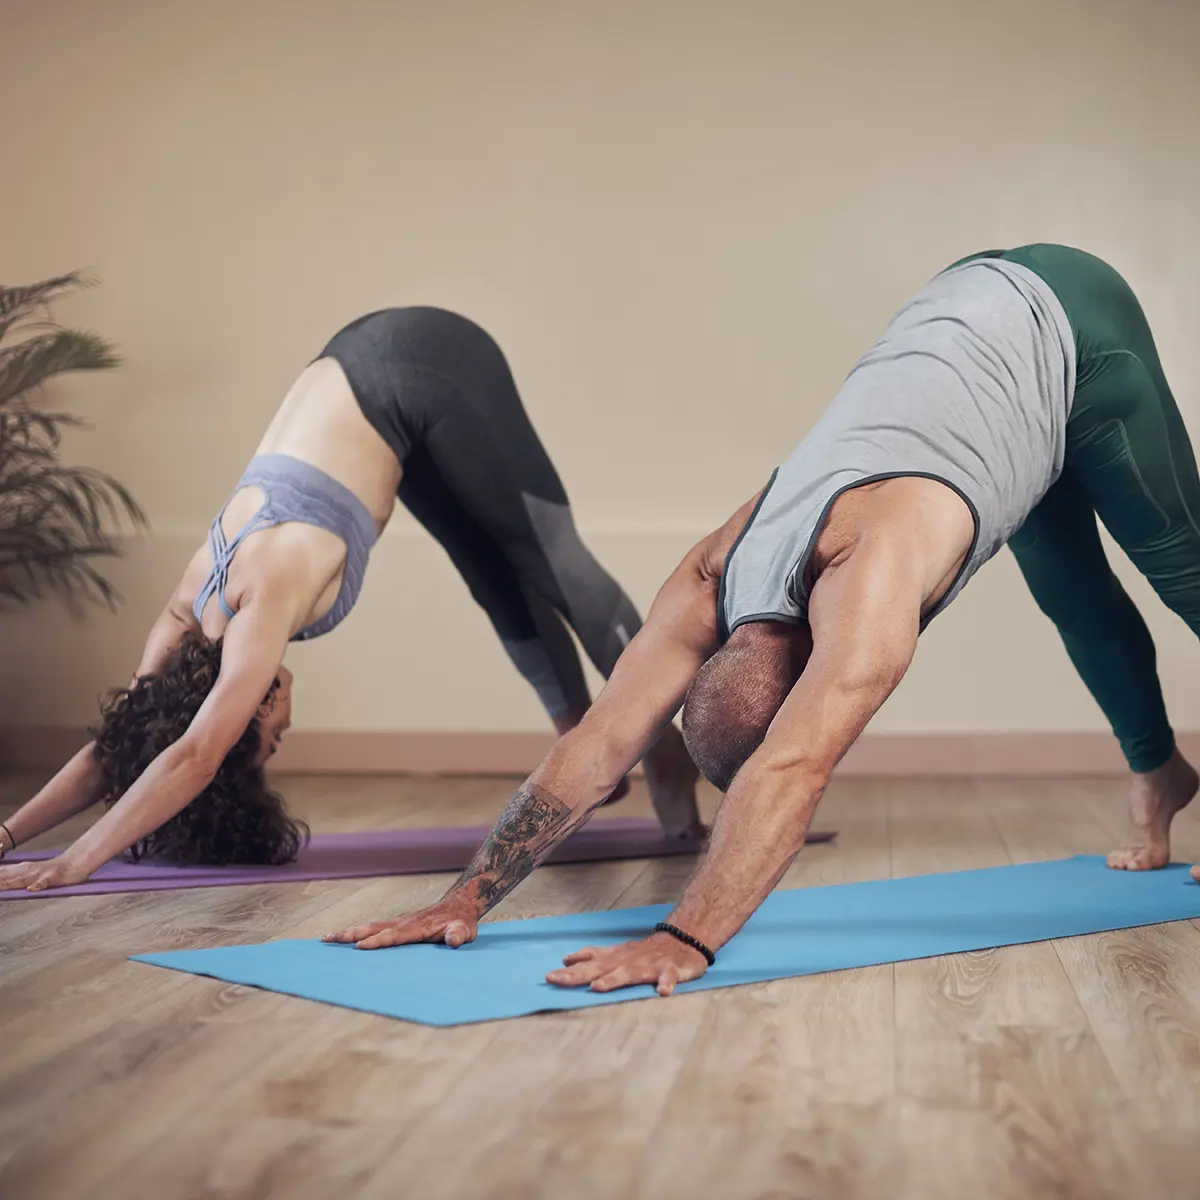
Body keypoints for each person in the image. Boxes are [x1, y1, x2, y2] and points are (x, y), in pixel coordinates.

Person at [325, 244, 1200, 997]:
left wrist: (686, 936)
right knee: (1074, 597)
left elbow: (795, 765)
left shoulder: (871, 579)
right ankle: (1159, 774)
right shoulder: (717, 571)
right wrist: (466, 897)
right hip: (972, 326)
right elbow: (598, 742)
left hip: (1075, 324)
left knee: (1185, 575)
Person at [0, 308, 701, 890]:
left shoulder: (262, 598)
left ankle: (662, 750)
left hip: (424, 358)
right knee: (493, 577)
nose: (282, 735)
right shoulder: (189, 612)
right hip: (371, 387)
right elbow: (117, 747)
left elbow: (194, 756)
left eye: (268, 741)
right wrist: (8, 836)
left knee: (550, 559)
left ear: (253, 710)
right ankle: (584, 747)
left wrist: (74, 861)